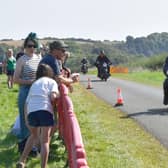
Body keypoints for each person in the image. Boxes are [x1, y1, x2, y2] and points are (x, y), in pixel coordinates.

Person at [16, 63, 59, 168]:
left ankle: (22, 161)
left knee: (33, 136)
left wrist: (26, 119)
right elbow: (53, 96)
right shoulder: (52, 81)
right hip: (44, 110)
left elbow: (26, 103)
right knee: (45, 140)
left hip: (31, 112)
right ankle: (43, 166)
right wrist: (58, 95)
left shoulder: (34, 83)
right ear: (50, 73)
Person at [13, 32, 41, 154]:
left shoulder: (38, 58)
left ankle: (34, 145)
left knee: (36, 119)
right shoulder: (21, 60)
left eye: (34, 46)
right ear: (25, 46)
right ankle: (25, 146)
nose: (31, 48)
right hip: (25, 92)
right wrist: (30, 82)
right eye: (29, 46)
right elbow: (15, 79)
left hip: (37, 93)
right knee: (26, 120)